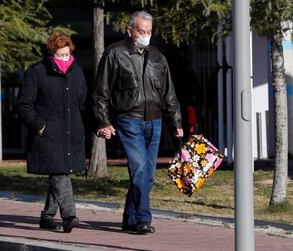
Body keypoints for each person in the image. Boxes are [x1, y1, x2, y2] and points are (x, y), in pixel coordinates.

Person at [92, 11, 183, 234]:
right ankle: (143, 218)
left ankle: (129, 218)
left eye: (149, 32)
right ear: (130, 30)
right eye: (141, 31)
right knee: (140, 169)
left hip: (155, 121)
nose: (145, 36)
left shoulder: (158, 57)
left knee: (147, 174)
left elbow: (169, 93)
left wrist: (177, 123)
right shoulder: (115, 53)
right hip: (128, 120)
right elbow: (100, 93)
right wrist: (103, 121)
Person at [16, 33, 87, 233]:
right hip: (47, 134)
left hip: (70, 132)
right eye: (60, 55)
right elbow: (23, 105)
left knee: (61, 172)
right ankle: (70, 215)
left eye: (67, 54)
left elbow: (81, 101)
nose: (64, 59)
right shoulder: (37, 72)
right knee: (59, 173)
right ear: (51, 54)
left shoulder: (77, 72)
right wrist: (40, 125)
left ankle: (47, 217)